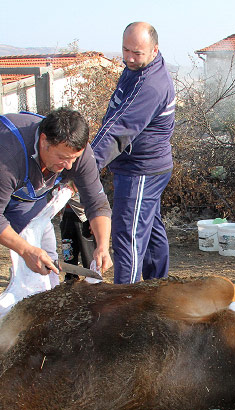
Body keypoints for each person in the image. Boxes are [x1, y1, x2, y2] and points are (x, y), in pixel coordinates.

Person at [0, 107, 112, 287]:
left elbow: (97, 202)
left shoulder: (77, 153)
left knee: (45, 251)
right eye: (62, 158)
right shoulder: (6, 155)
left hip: (24, 185)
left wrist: (102, 246)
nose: (69, 166)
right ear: (44, 141)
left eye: (74, 159)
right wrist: (25, 250)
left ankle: (50, 305)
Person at [91, 21, 176, 284]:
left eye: (136, 53)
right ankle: (157, 289)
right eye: (125, 50)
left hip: (141, 169)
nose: (129, 57)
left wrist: (86, 166)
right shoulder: (137, 68)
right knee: (149, 230)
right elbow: (115, 116)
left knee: (127, 234)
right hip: (149, 164)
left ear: (154, 50)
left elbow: (120, 128)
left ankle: (124, 302)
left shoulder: (150, 85)